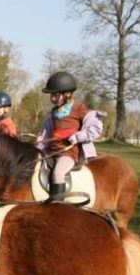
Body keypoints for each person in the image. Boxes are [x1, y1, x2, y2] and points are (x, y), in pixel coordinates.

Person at [36, 71, 103, 199]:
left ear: (67, 94)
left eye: (55, 95)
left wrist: (78, 136)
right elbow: (46, 132)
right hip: (51, 151)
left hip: (68, 153)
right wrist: (39, 142)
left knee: (58, 173)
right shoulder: (54, 112)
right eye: (52, 95)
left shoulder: (78, 109)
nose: (53, 99)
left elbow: (96, 127)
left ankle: (59, 206)